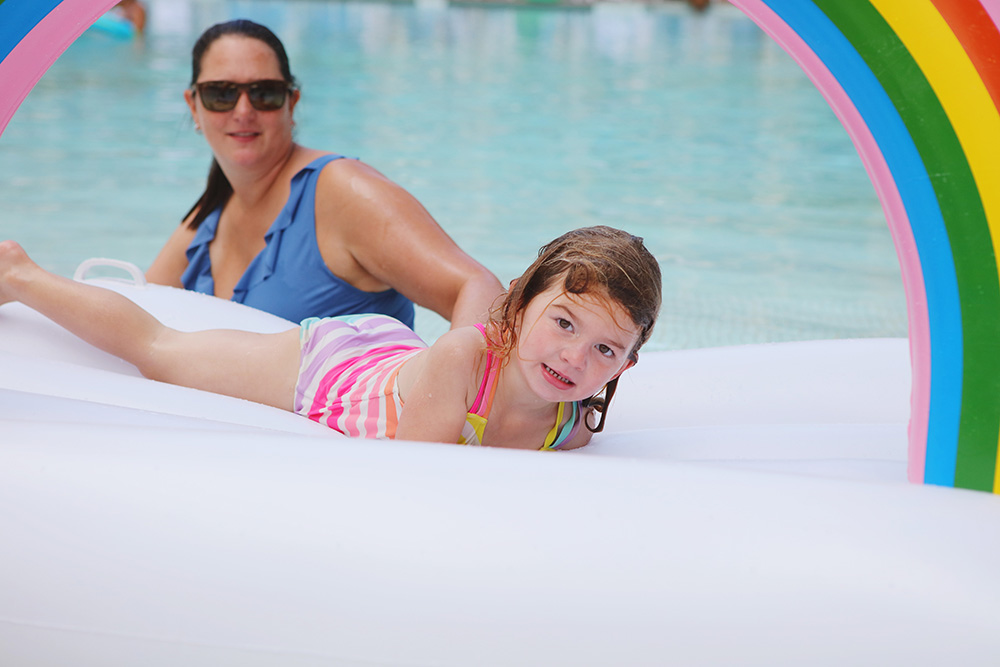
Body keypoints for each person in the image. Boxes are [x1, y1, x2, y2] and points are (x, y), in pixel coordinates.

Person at [1, 227, 661, 449]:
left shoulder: (569, 426)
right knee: (161, 351)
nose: (575, 357)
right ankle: (22, 274)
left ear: (627, 365)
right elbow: (414, 484)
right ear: (518, 308)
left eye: (605, 348)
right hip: (339, 369)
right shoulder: (465, 360)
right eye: (564, 322)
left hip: (398, 360)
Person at [146, 19, 502, 330]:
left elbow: (476, 288)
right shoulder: (206, 223)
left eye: (264, 93)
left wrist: (456, 396)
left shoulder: (342, 193)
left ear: (292, 104)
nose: (243, 110)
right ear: (194, 105)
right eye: (220, 94)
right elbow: (137, 308)